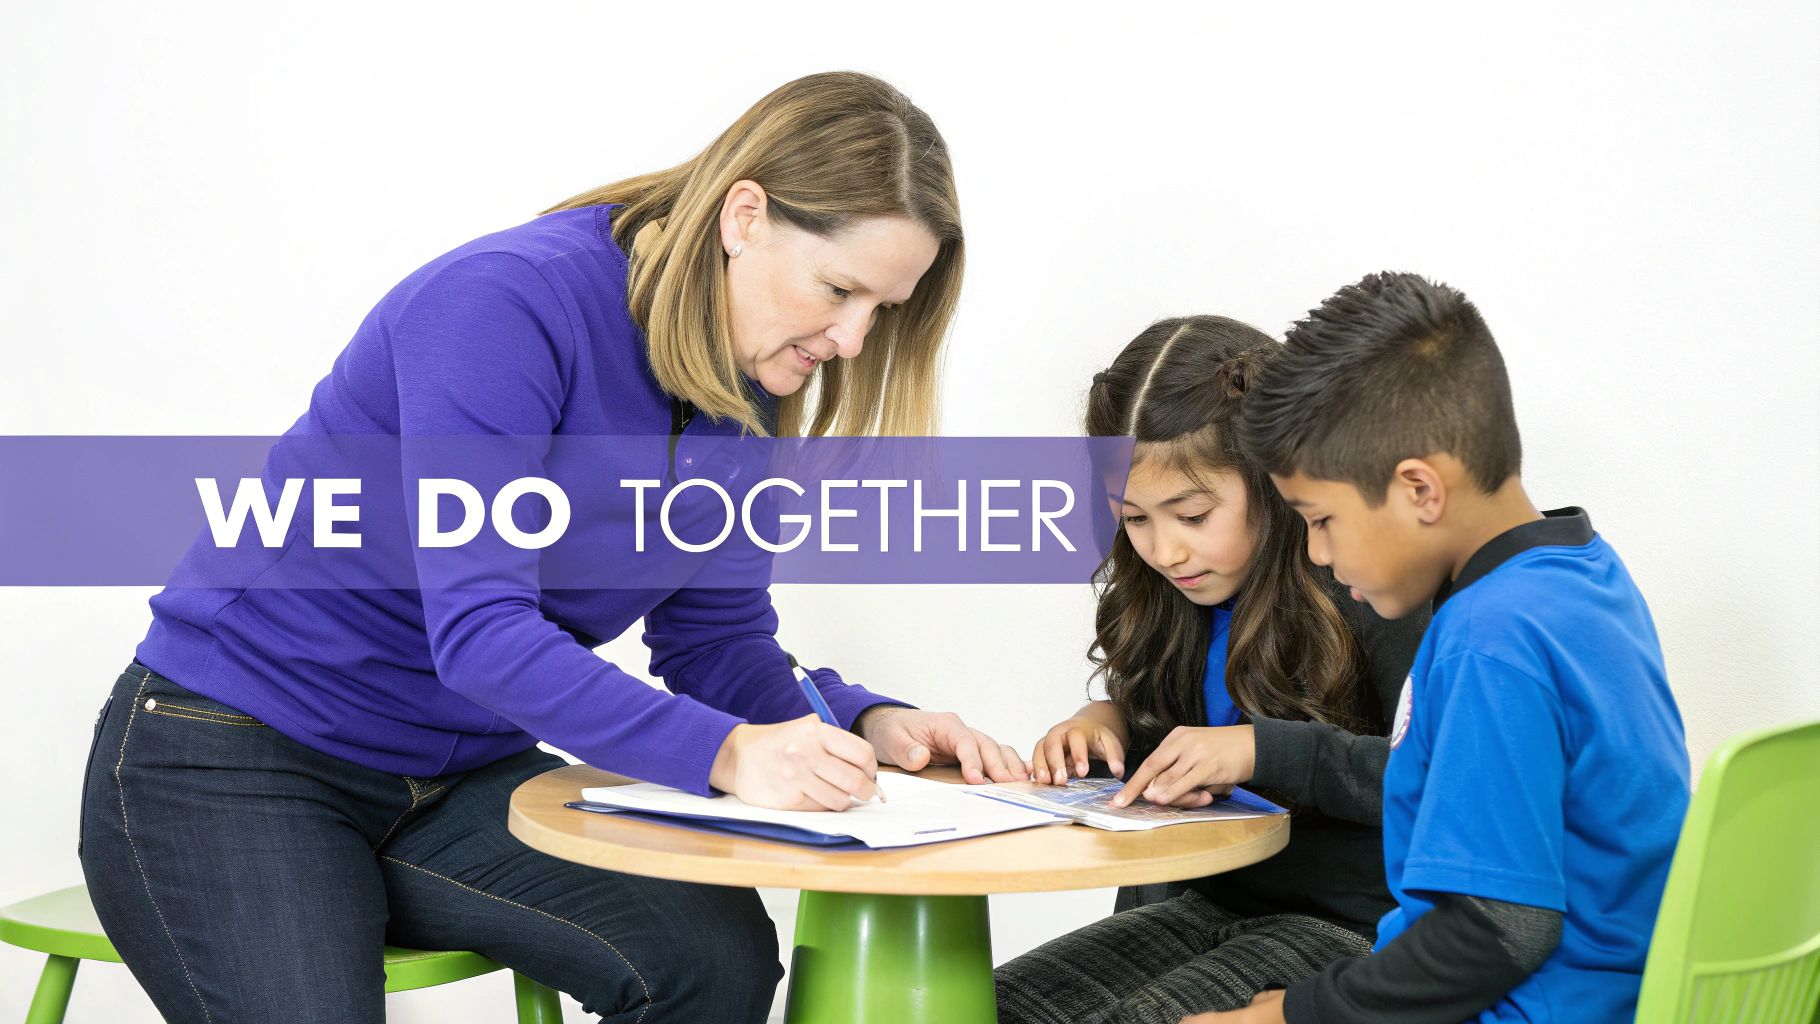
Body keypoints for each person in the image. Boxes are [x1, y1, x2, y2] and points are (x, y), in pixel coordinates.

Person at [78, 71, 1026, 1024]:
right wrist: (731, 754)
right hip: (231, 750)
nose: (855, 339)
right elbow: (482, 633)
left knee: (710, 962)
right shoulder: (502, 307)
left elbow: (715, 644)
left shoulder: (752, 382)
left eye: (884, 309)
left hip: (456, 776)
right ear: (745, 216)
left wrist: (859, 722)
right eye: (839, 289)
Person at [1199, 272, 1689, 1023]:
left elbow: (1497, 931)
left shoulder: (1487, 639)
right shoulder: (1587, 575)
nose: (1319, 554)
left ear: (1420, 491)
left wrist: (1297, 1014)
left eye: (1320, 519)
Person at [994, 316, 1429, 1024]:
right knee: (995, 1008)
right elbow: (1175, 736)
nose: (1164, 551)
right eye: (1133, 519)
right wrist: (1103, 722)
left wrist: (1265, 748)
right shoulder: (1168, 597)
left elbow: (1448, 778)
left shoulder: (1369, 586)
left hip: (1351, 928)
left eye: (1192, 514)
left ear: (1273, 480)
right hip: (1205, 899)